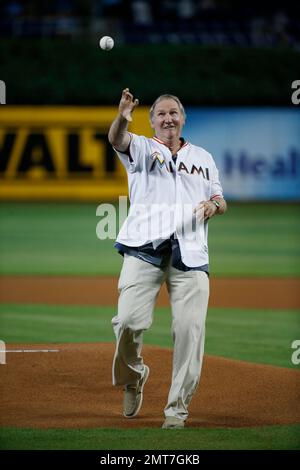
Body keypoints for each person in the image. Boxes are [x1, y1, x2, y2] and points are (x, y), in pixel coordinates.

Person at [108, 88, 227, 429]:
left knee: (190, 331)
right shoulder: (142, 148)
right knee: (129, 322)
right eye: (161, 113)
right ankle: (133, 377)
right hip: (143, 248)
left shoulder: (203, 158)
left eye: (173, 112)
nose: (168, 118)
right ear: (152, 121)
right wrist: (123, 117)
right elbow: (117, 138)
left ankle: (177, 410)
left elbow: (221, 199)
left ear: (183, 118)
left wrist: (213, 206)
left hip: (190, 253)